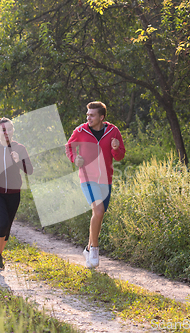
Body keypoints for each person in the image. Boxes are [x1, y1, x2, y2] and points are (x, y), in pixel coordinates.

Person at [65, 101, 126, 268]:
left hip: (106, 180)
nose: (88, 118)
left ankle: (88, 248)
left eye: (92, 115)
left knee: (99, 215)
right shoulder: (81, 130)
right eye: (87, 114)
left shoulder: (113, 131)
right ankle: (95, 250)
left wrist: (115, 149)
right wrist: (74, 158)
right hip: (87, 178)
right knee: (98, 210)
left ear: (101, 117)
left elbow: (120, 156)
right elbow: (69, 146)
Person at [0, 117, 33, 269]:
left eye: (10, 129)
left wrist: (18, 161)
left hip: (13, 193)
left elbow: (29, 170)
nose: (7, 132)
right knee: (3, 222)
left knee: (7, 229)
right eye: (3, 130)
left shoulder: (20, 148)